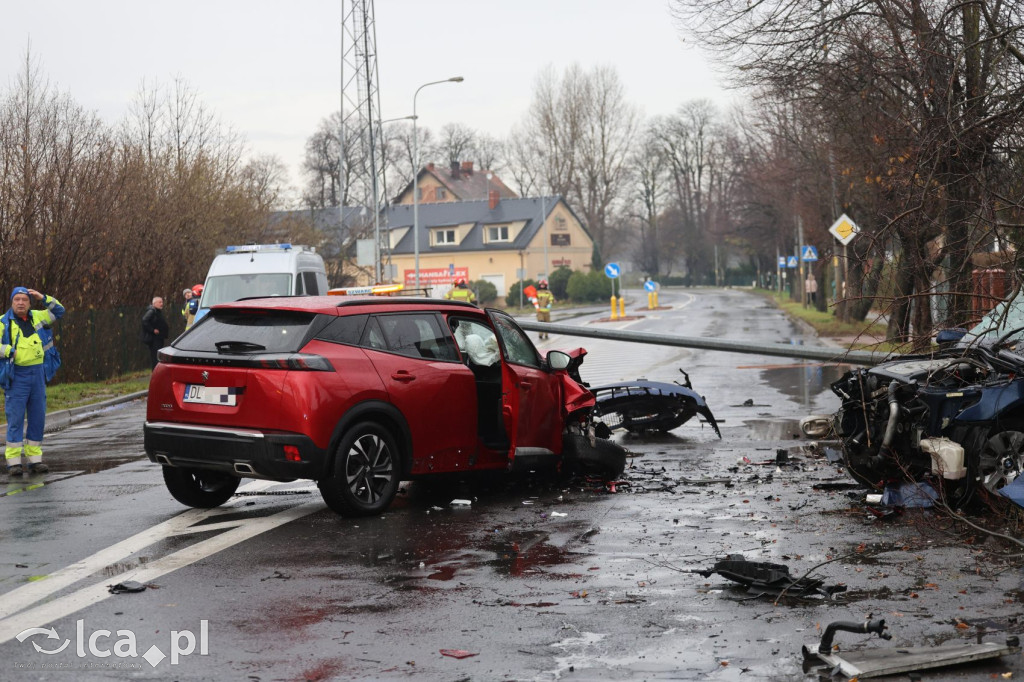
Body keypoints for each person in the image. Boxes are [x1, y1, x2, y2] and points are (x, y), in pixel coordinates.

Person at [1, 287, 65, 476]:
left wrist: (43, 297)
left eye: (25, 300)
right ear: (12, 302)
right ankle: (14, 463)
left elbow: (59, 311)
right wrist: (8, 351)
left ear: (29, 302)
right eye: (17, 299)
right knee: (16, 419)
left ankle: (34, 460)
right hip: (16, 375)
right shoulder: (3, 323)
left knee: (38, 418)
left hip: (38, 374)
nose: (21, 303)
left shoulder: (38, 316)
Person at [141, 296, 170, 369]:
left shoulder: (157, 312)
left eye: (162, 302)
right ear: (154, 303)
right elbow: (144, 320)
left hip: (159, 338)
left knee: (157, 356)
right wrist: (152, 330)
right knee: (155, 357)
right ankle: (156, 372)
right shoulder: (152, 311)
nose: (161, 304)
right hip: (154, 339)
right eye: (159, 302)